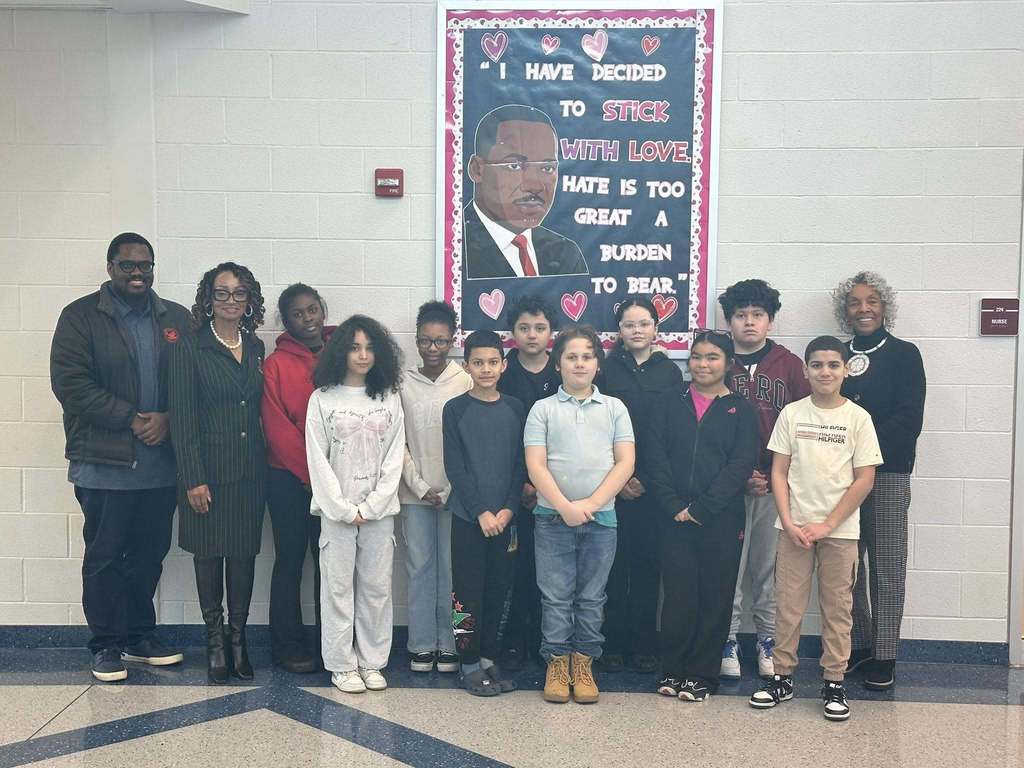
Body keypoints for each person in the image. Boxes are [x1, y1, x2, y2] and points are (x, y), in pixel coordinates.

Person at [50, 232, 189, 682]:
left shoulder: (176, 319)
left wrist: (168, 417)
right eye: (129, 265)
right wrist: (132, 419)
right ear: (110, 268)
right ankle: (106, 645)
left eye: (146, 265)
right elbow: (70, 385)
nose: (139, 273)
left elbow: (192, 383)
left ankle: (139, 637)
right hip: (104, 463)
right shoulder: (80, 317)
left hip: (160, 465)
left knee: (150, 554)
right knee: (106, 555)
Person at [750, 336, 882, 722]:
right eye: (817, 365)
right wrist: (789, 520)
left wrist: (827, 523)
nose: (825, 372)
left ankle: (834, 681)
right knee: (787, 605)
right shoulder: (791, 413)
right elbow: (779, 470)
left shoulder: (858, 418)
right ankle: (782, 677)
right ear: (805, 371)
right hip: (793, 528)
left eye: (833, 365)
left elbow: (864, 480)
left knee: (838, 608)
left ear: (845, 370)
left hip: (839, 532)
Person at [524, 324, 635, 704]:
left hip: (601, 520)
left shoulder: (615, 408)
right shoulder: (542, 410)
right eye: (571, 356)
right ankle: (556, 662)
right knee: (555, 597)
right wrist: (566, 507)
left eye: (587, 356)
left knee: (591, 598)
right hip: (552, 518)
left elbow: (624, 463)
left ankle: (584, 662)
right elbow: (536, 466)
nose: (579, 363)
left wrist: (589, 505)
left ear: (597, 364)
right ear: (558, 364)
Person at [168, 263, 267, 685]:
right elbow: (183, 417)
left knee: (243, 556)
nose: (230, 301)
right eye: (222, 293)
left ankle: (238, 639)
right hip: (206, 473)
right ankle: (214, 642)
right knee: (208, 556)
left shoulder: (258, 346)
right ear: (208, 298)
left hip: (249, 472)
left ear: (250, 301)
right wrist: (193, 477)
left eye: (239, 293)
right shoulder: (189, 347)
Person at [646, 330, 759, 702]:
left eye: (712, 357)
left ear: (728, 364)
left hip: (720, 519)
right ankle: (672, 669)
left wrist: (702, 509)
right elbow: (655, 454)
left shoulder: (742, 409)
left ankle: (701, 675)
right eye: (696, 356)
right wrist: (672, 504)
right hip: (672, 515)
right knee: (678, 596)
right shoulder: (668, 402)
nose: (702, 364)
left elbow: (740, 464)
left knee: (716, 595)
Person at [833, 271, 926, 691]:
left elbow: (909, 420)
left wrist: (860, 446)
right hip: (838, 477)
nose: (863, 308)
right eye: (855, 302)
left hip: (886, 474)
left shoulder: (905, 355)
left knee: (887, 566)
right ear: (845, 311)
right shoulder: (834, 354)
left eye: (872, 301)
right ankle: (859, 645)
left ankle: (884, 654)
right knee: (845, 566)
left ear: (884, 306)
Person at [305, 315, 405, 695]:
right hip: (337, 514)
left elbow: (396, 455)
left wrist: (375, 505)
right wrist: (345, 509)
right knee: (337, 589)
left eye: (369, 348)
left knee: (376, 589)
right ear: (340, 352)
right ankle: (342, 665)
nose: (363, 355)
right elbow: (318, 459)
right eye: (354, 347)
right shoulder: (322, 398)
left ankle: (372, 661)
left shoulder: (389, 396)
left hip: (379, 513)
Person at [717, 280, 810, 680]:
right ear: (730, 322)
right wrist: (738, 475)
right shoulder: (718, 361)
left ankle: (769, 640)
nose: (749, 322)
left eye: (757, 315)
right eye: (741, 316)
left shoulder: (789, 365)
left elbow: (803, 424)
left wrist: (775, 475)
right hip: (727, 487)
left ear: (770, 321)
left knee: (768, 571)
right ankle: (728, 639)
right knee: (729, 570)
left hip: (777, 486)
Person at [598, 298, 683, 674]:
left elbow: (669, 434)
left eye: (644, 323)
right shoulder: (605, 370)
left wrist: (646, 478)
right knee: (613, 568)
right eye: (629, 324)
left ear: (656, 329)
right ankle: (613, 643)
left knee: (649, 567)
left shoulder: (670, 373)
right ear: (619, 330)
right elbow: (597, 428)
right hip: (610, 484)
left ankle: (645, 644)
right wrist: (618, 479)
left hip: (653, 486)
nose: (636, 330)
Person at [443, 330, 527, 696]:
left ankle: (489, 656)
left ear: (504, 365)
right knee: (466, 594)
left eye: (493, 362)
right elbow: (455, 467)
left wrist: (508, 509)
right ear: (466, 366)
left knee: (498, 591)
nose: (486, 369)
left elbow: (519, 465)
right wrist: (480, 511)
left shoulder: (515, 407)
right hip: (468, 519)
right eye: (478, 362)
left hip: (506, 521)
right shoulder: (455, 409)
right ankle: (468, 661)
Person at [261, 283, 334, 673]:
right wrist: (310, 475)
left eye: (312, 310)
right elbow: (277, 428)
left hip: (336, 481)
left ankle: (332, 644)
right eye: (297, 314)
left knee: (330, 563)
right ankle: (287, 646)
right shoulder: (275, 365)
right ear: (286, 322)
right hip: (289, 479)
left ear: (322, 310)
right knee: (289, 561)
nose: (307, 319)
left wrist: (328, 477)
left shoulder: (343, 353)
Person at [400, 301, 471, 674]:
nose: (432, 348)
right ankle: (422, 644)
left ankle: (452, 642)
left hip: (455, 495)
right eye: (426, 340)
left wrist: (450, 487)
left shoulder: (465, 380)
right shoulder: (403, 382)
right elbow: (398, 442)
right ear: (416, 340)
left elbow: (470, 442)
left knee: (453, 570)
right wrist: (418, 484)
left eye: (441, 341)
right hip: (415, 493)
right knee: (419, 567)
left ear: (452, 341)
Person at [497, 294, 560, 669]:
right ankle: (515, 637)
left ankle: (546, 638)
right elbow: (501, 436)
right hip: (517, 489)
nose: (532, 335)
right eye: (524, 328)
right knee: (518, 567)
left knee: (552, 570)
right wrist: (522, 484)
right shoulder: (503, 372)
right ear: (512, 333)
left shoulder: (564, 369)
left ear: (552, 332)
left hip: (558, 488)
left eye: (539, 328)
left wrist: (548, 484)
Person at [463, 104, 588, 280]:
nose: (534, 185)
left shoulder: (565, 254)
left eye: (547, 168)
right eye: (514, 166)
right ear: (477, 170)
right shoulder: (456, 247)